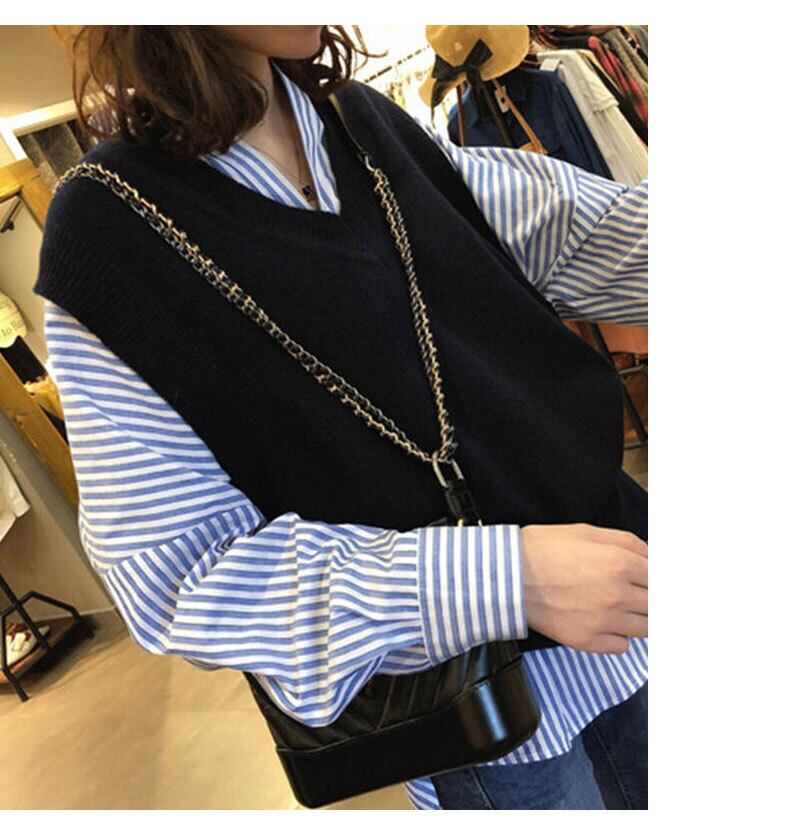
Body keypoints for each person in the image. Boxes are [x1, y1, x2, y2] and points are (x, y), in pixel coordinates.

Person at [36, 25, 648, 810]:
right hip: (483, 720)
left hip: (626, 609)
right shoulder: (108, 235)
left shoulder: (362, 123)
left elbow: (567, 229)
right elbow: (182, 577)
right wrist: (503, 578)